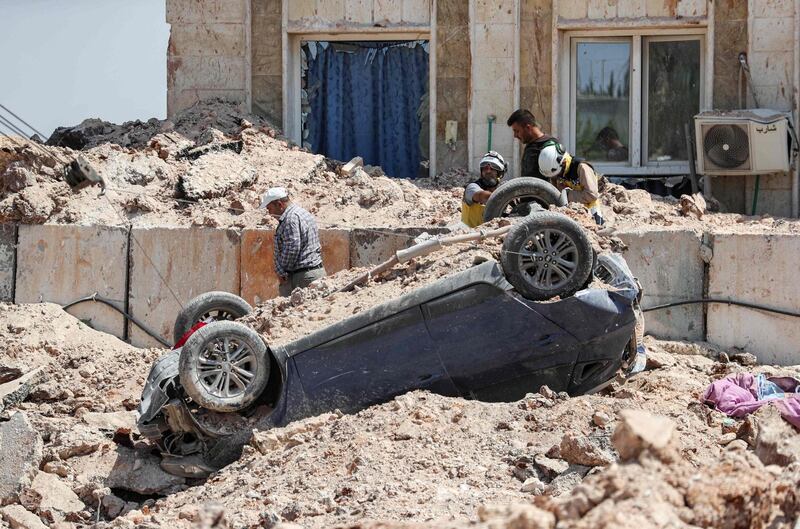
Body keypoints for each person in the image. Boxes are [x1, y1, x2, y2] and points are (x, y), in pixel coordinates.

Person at [259, 187, 326, 296]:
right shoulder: (302, 213)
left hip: (302, 277)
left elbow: (292, 249)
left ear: (279, 204)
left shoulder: (290, 219)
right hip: (313, 273)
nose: (269, 213)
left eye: (269, 208)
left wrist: (282, 272)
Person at [538, 143, 605, 226]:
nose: (555, 178)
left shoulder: (582, 168)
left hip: (590, 204)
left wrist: (567, 195)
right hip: (571, 206)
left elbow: (591, 195)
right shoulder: (557, 170)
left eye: (556, 174)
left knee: (595, 227)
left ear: (564, 163)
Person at [507, 109, 560, 180]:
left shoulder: (550, 146)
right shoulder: (531, 145)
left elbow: (556, 179)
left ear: (528, 128)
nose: (515, 135)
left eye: (517, 131)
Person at [461, 151, 507, 228]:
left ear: (499, 173)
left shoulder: (502, 189)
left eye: (493, 168)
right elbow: (482, 196)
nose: (488, 171)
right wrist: (508, 195)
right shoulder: (472, 187)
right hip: (470, 235)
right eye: (485, 168)